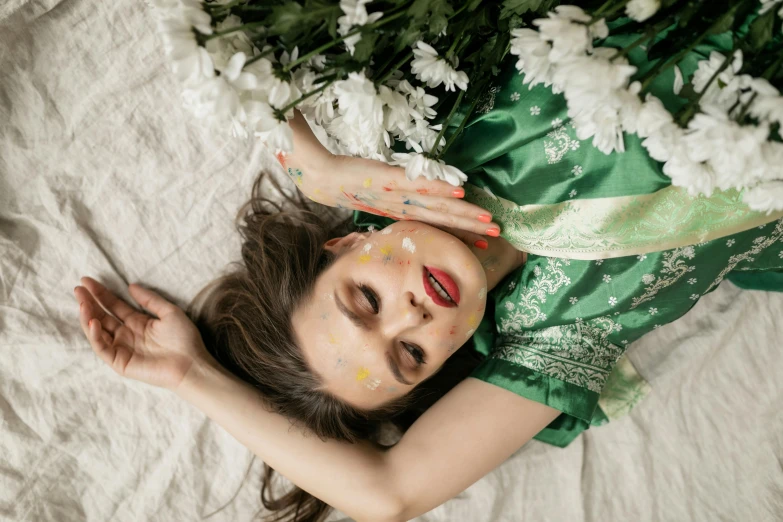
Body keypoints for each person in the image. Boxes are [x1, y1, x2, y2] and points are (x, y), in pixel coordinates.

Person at [73, 23, 783, 522]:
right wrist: (189, 376)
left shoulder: (427, 121)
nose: (412, 317)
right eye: (408, 355)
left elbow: (229, 35)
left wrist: (311, 161)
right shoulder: (558, 335)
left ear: (345, 244)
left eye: (365, 300)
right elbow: (387, 495)